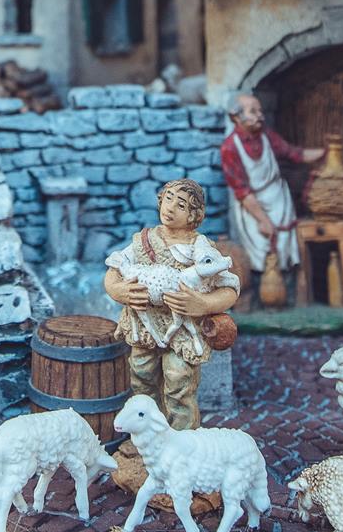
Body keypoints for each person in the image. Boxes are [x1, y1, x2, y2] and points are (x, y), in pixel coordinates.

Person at [102, 178, 241, 430]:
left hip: (182, 330)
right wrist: (119, 290)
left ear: (193, 215)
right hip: (143, 326)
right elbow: (114, 269)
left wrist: (204, 303)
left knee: (178, 381)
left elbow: (230, 287)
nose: (170, 208)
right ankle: (147, 436)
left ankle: (182, 439)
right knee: (141, 377)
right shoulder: (143, 241)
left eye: (181, 205)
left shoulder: (200, 248)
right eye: (168, 199)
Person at [219, 91, 326, 284]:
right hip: (253, 207)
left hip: (279, 201)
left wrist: (325, 153)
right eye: (253, 111)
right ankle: (265, 291)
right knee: (260, 254)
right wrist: (263, 220)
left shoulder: (267, 136)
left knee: (285, 248)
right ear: (236, 117)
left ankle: (289, 288)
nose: (260, 115)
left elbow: (293, 153)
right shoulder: (229, 148)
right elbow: (242, 191)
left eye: (260, 111)